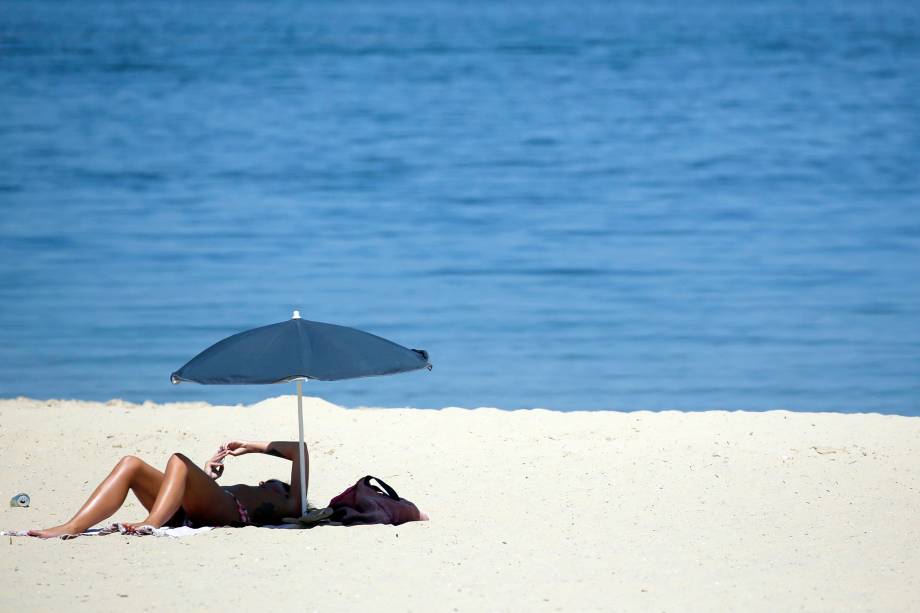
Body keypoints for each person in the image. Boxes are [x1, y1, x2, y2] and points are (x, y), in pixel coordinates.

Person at [28, 439, 310, 538]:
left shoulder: (292, 502)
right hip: (193, 509)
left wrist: (250, 447)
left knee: (178, 460)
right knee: (131, 464)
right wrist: (208, 477)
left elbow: (300, 449)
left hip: (226, 509)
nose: (264, 483)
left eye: (272, 483)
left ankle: (151, 523)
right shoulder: (268, 496)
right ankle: (74, 526)